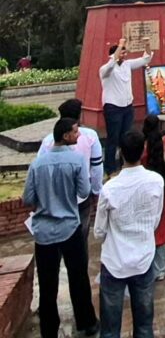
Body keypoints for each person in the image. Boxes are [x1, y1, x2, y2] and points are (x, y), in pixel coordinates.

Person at [23, 117, 98, 338]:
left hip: (44, 232)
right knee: (78, 277)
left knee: (47, 285)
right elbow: (84, 191)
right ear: (65, 136)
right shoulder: (76, 160)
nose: (78, 135)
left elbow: (28, 198)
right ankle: (86, 322)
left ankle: (49, 330)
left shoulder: (37, 164)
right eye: (75, 132)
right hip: (69, 227)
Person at [94, 129, 165, 338]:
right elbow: (155, 220)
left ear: (120, 152)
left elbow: (99, 231)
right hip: (143, 258)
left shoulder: (110, 189)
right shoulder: (156, 181)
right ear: (143, 150)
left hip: (115, 261)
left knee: (110, 329)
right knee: (144, 326)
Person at [37, 97, 103, 265]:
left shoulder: (48, 141)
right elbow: (96, 168)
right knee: (80, 242)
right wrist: (96, 191)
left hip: (55, 198)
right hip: (81, 199)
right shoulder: (90, 136)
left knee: (56, 240)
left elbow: (40, 170)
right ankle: (80, 273)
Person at [99, 34, 153, 176]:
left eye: (124, 52)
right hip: (113, 107)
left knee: (126, 138)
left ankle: (126, 165)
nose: (124, 55)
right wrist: (120, 44)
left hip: (127, 107)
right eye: (122, 53)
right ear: (113, 55)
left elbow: (146, 59)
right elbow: (112, 63)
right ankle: (110, 169)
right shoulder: (105, 69)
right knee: (113, 139)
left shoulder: (127, 65)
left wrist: (147, 44)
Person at [140, 115, 165, 282]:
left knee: (147, 225)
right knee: (162, 225)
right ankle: (161, 268)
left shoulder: (142, 146)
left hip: (145, 190)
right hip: (163, 189)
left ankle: (147, 266)